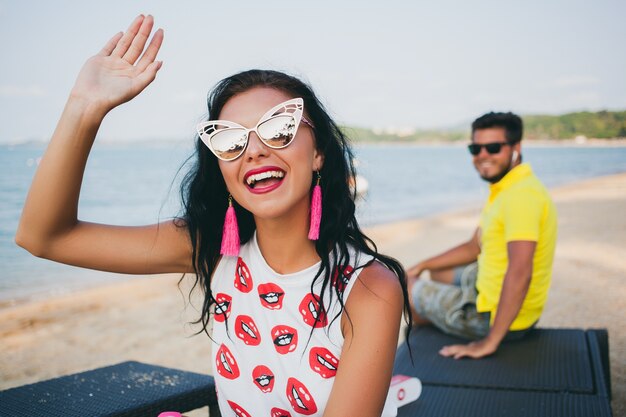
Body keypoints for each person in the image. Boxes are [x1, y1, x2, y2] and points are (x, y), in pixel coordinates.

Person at [15, 15, 412, 417]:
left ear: (318, 153)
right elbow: (44, 237)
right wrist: (84, 109)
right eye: (230, 140)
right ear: (221, 168)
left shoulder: (369, 289)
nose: (253, 150)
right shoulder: (213, 249)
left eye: (279, 129)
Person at [406, 111, 557, 360]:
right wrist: (421, 265)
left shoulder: (520, 197)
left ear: (516, 147)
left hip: (497, 318)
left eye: (493, 147)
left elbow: (520, 271)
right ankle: (440, 314)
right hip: (487, 286)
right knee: (436, 272)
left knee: (402, 287)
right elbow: (475, 246)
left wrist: (490, 341)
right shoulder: (507, 186)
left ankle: (444, 324)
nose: (483, 156)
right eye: (476, 148)